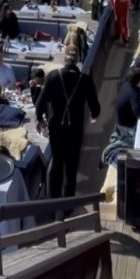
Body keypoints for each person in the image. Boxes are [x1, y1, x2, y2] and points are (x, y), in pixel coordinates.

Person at [36, 45, 100, 198]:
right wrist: (93, 116)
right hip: (75, 129)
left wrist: (40, 119)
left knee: (57, 162)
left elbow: (40, 103)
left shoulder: (52, 76)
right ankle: (68, 204)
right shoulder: (84, 80)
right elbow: (95, 108)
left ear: (64, 59)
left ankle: (53, 201)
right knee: (71, 167)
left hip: (56, 127)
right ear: (78, 60)